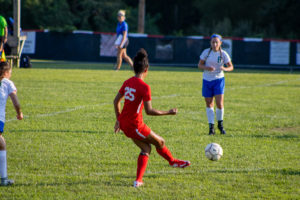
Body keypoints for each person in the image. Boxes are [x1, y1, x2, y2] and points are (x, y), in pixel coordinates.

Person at [113, 49, 190, 188]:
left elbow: (115, 101)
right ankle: (172, 162)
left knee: (146, 148)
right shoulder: (145, 87)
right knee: (160, 142)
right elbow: (149, 111)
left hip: (125, 123)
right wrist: (169, 112)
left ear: (134, 68)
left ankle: (139, 180)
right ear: (147, 69)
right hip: (135, 125)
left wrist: (118, 119)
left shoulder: (127, 82)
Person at [198, 34, 234, 135]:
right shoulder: (206, 52)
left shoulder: (223, 54)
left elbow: (231, 67)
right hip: (207, 80)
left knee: (219, 103)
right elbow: (199, 65)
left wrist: (225, 68)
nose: (214, 44)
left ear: (220, 43)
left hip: (219, 80)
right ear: (210, 43)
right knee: (209, 103)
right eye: (213, 42)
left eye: (216, 42)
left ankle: (220, 125)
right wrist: (207, 68)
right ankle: (211, 128)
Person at [0, 62, 23, 186]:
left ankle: (4, 179)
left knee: (1, 144)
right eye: (10, 72)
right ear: (6, 73)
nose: (11, 74)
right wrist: (19, 113)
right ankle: (3, 180)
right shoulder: (8, 83)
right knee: (1, 144)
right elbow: (16, 101)